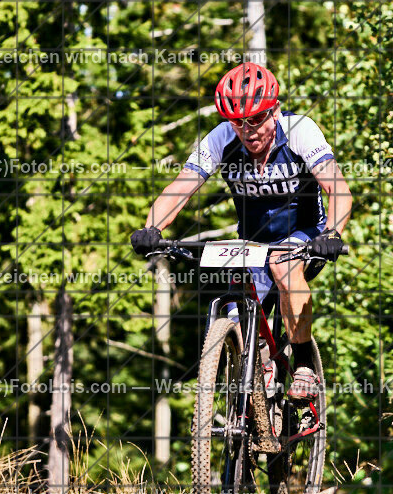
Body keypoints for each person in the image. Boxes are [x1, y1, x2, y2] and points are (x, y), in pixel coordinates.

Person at [131, 62, 352, 400]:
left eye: (256, 120)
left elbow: (339, 189)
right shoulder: (221, 138)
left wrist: (333, 233)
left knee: (283, 265)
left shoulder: (299, 131)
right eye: (238, 122)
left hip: (307, 232)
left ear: (274, 111)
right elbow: (181, 187)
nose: (248, 131)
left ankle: (305, 363)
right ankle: (255, 396)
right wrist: (152, 228)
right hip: (253, 240)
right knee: (236, 311)